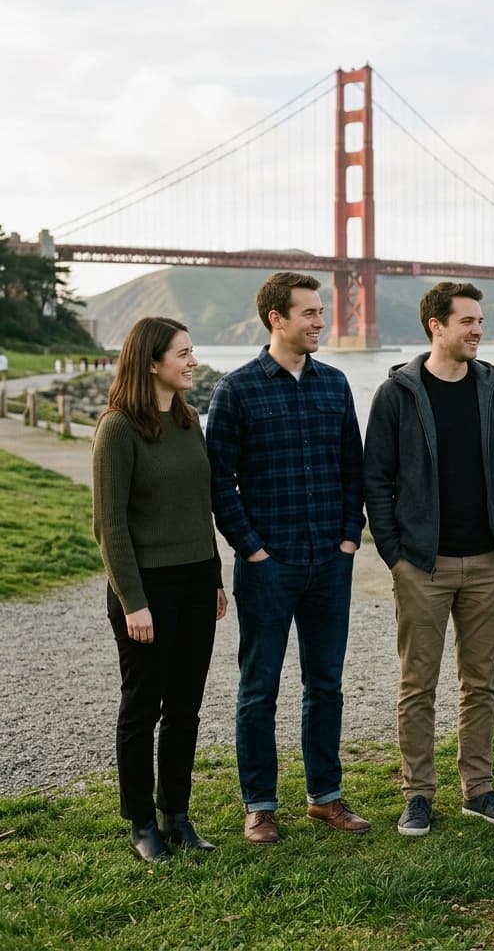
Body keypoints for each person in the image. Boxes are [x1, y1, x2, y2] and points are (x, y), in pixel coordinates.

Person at [205, 272, 368, 845]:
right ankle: (260, 805)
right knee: (259, 687)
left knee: (326, 684)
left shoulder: (336, 385)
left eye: (321, 312)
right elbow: (218, 482)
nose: (320, 322)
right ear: (277, 318)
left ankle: (325, 798)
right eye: (309, 313)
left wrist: (350, 537)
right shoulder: (237, 390)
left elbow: (355, 467)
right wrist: (252, 548)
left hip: (330, 558)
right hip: (267, 566)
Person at [363, 281, 494, 838]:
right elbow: (375, 478)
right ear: (437, 326)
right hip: (422, 566)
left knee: (480, 682)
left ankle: (478, 790)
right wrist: (396, 555)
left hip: (488, 562)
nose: (477, 330)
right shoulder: (398, 393)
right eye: (467, 321)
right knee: (419, 683)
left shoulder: (493, 389)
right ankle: (418, 795)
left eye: (480, 320)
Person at [92, 317, 227, 863]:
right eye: (184, 353)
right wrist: (134, 601)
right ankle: (141, 823)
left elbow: (201, 509)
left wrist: (215, 577)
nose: (193, 361)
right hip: (147, 588)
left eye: (192, 352)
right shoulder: (118, 428)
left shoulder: (189, 420)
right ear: (152, 361)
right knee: (142, 707)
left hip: (197, 580)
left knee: (186, 707)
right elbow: (110, 526)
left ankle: (176, 814)